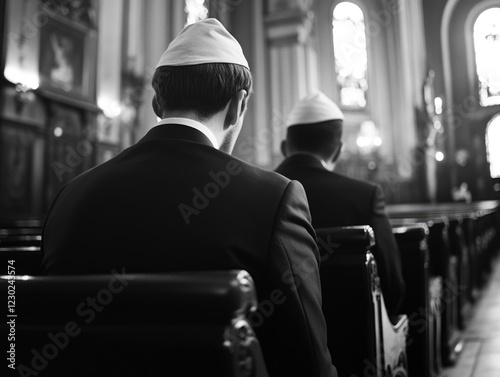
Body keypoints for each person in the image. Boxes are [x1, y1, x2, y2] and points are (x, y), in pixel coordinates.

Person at [42, 19, 336, 377]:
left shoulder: (70, 196)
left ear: (156, 102)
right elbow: (307, 359)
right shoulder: (275, 198)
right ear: (238, 105)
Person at [275, 91, 405, 316]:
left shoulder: (259, 194)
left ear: (284, 147)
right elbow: (393, 286)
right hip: (359, 333)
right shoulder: (365, 196)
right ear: (337, 149)